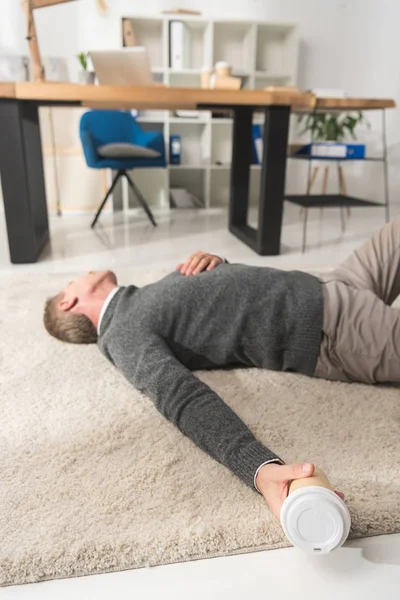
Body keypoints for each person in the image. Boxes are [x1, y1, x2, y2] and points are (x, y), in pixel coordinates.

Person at [43, 217, 400, 521]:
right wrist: (260, 470)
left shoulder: (136, 300)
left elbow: (221, 308)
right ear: (68, 301)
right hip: (335, 329)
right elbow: (178, 396)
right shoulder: (121, 334)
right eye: (71, 281)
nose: (81, 273)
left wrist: (220, 265)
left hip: (332, 283)